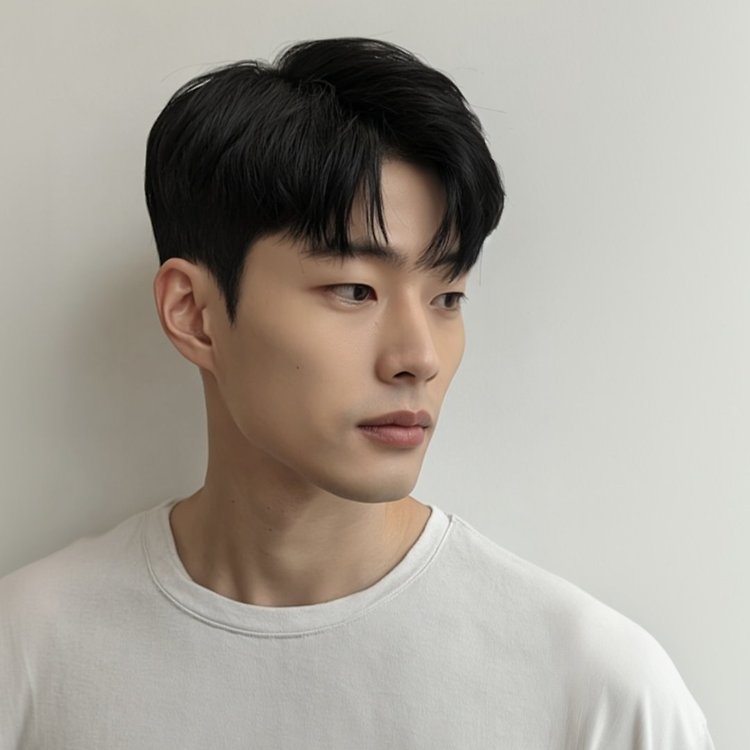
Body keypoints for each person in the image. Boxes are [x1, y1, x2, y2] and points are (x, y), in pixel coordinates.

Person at [0, 37, 714, 749]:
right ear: (194, 314)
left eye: (448, 296)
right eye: (354, 290)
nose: (419, 358)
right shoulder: (31, 652)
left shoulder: (597, 691)